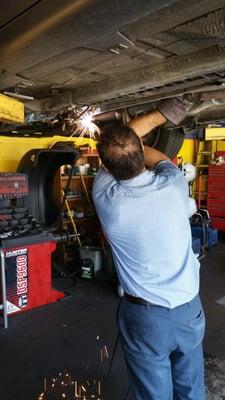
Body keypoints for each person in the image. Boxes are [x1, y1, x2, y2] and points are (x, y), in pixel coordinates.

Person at [92, 99, 205, 400]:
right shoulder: (173, 184)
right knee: (192, 389)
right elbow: (157, 157)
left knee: (154, 396)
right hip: (189, 311)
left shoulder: (106, 197)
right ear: (141, 152)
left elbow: (124, 146)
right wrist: (159, 115)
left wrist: (156, 117)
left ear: (106, 166)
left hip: (146, 318)